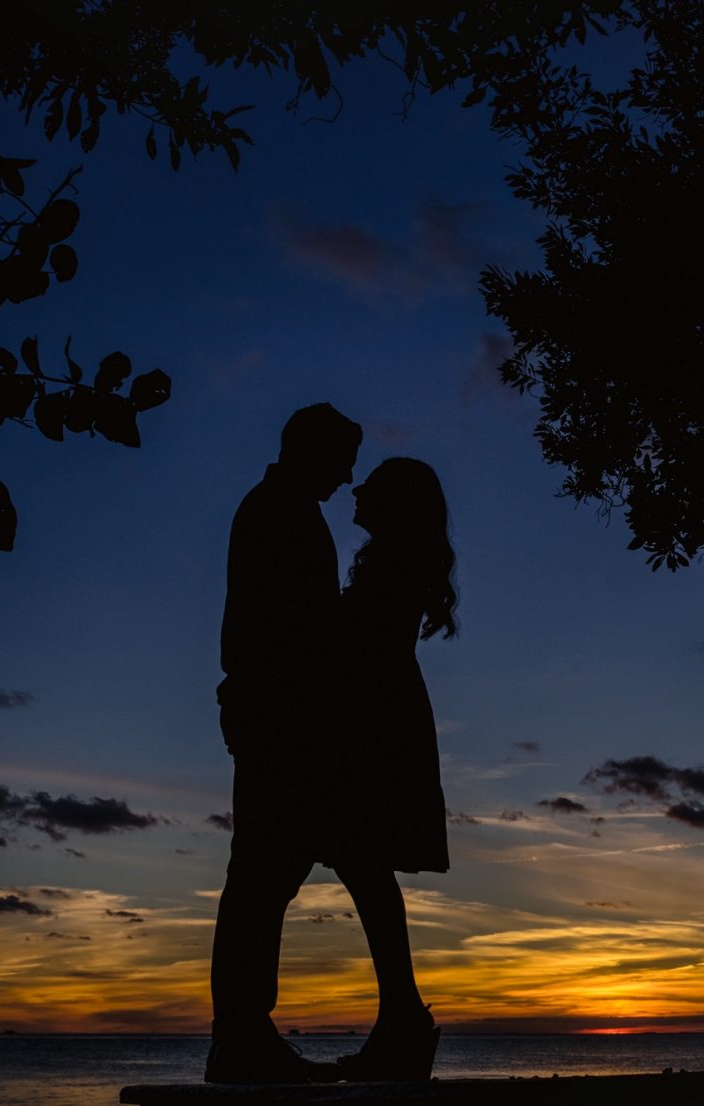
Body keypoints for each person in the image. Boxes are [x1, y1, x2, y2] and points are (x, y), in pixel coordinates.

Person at [206, 402, 362, 1084]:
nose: (348, 477)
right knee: (263, 872)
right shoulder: (276, 511)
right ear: (313, 453)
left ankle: (243, 1031)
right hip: (279, 715)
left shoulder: (285, 509)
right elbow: (279, 626)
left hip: (280, 712)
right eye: (341, 462)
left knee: (270, 871)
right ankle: (239, 1034)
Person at [322, 457, 456, 1082]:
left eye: (371, 485)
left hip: (376, 721)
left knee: (364, 862)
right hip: (381, 716)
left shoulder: (393, 566)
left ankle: (402, 1016)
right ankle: (401, 1014)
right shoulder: (392, 562)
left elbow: (356, 646)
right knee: (364, 865)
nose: (357, 489)